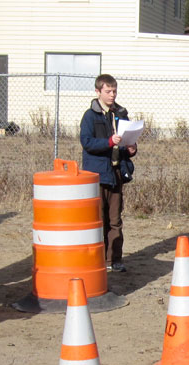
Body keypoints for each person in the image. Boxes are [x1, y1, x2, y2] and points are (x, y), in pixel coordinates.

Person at [80, 74, 136, 273]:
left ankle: (115, 259)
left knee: (115, 220)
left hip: (116, 174)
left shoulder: (121, 114)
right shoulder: (90, 116)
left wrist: (130, 149)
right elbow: (86, 142)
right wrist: (109, 142)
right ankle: (97, 259)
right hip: (96, 175)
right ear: (98, 92)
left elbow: (126, 142)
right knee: (98, 220)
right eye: (108, 91)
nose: (112, 95)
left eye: (114, 91)